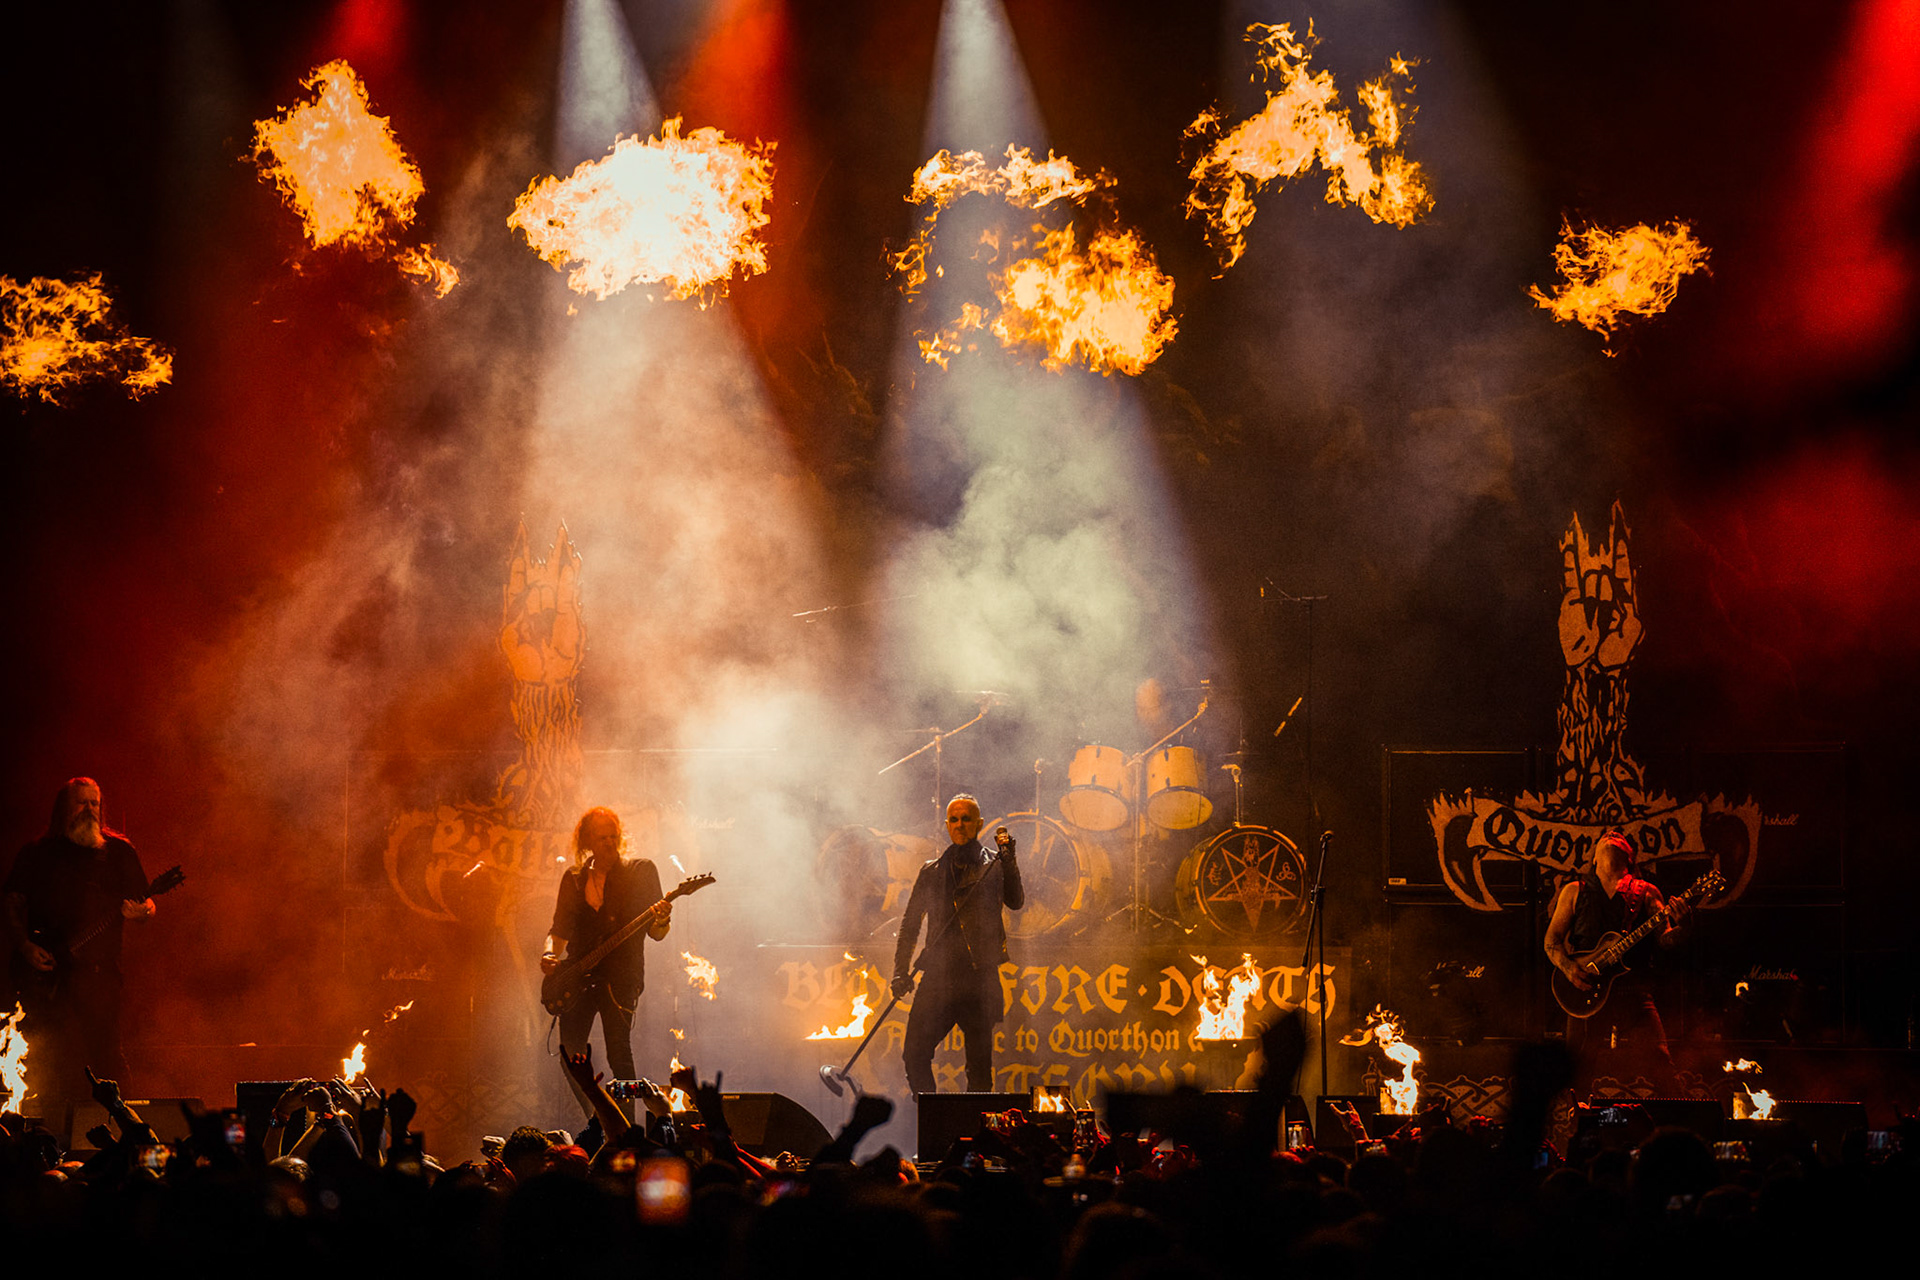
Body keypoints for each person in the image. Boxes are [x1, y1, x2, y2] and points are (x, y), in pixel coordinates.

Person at [3, 777, 156, 1133]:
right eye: (81, 802)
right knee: (50, 1059)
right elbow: (11, 902)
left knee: (108, 1058)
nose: (89, 810)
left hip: (100, 977)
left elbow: (147, 902)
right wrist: (25, 946)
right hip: (47, 977)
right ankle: (46, 1139)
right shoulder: (37, 853)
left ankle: (127, 1136)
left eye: (95, 803)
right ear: (64, 808)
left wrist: (144, 911)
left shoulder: (118, 852)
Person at [541, 807, 670, 1118]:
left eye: (614, 837)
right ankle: (597, 1116)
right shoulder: (574, 879)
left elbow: (656, 934)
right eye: (602, 838)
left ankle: (627, 1126)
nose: (610, 843)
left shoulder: (640, 872)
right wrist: (549, 954)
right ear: (587, 841)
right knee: (570, 1054)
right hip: (578, 977)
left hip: (620, 977)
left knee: (619, 1055)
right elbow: (558, 931)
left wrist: (663, 919)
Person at [892, 794, 1023, 1095]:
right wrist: (900, 971)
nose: (959, 825)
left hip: (978, 980)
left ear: (979, 823)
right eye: (954, 819)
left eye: (966, 819)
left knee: (979, 1069)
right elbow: (910, 924)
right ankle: (933, 1115)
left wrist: (1009, 861)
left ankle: (973, 1124)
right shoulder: (931, 871)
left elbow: (1016, 901)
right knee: (914, 1054)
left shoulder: (995, 864)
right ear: (947, 825)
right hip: (938, 979)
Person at [1543, 830, 1689, 1080]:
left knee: (1661, 1062)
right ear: (1594, 859)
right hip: (1585, 991)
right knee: (1577, 1069)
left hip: (1634, 990)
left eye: (1619, 837)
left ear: (1630, 858)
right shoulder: (1574, 891)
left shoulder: (1647, 892)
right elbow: (1551, 941)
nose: (1611, 834)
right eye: (1605, 837)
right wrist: (1569, 968)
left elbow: (1665, 940)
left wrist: (1685, 927)